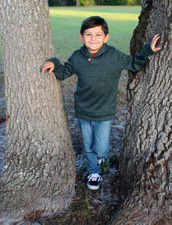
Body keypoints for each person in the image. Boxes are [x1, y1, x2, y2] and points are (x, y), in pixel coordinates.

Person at [41, 16, 161, 191]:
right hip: (83, 110)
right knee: (88, 145)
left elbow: (135, 64)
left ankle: (101, 158)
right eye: (88, 34)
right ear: (81, 37)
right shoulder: (77, 56)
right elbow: (64, 72)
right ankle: (94, 172)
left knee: (102, 148)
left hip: (104, 111)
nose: (93, 39)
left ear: (106, 37)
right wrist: (54, 62)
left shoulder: (113, 55)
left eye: (98, 35)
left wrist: (147, 51)